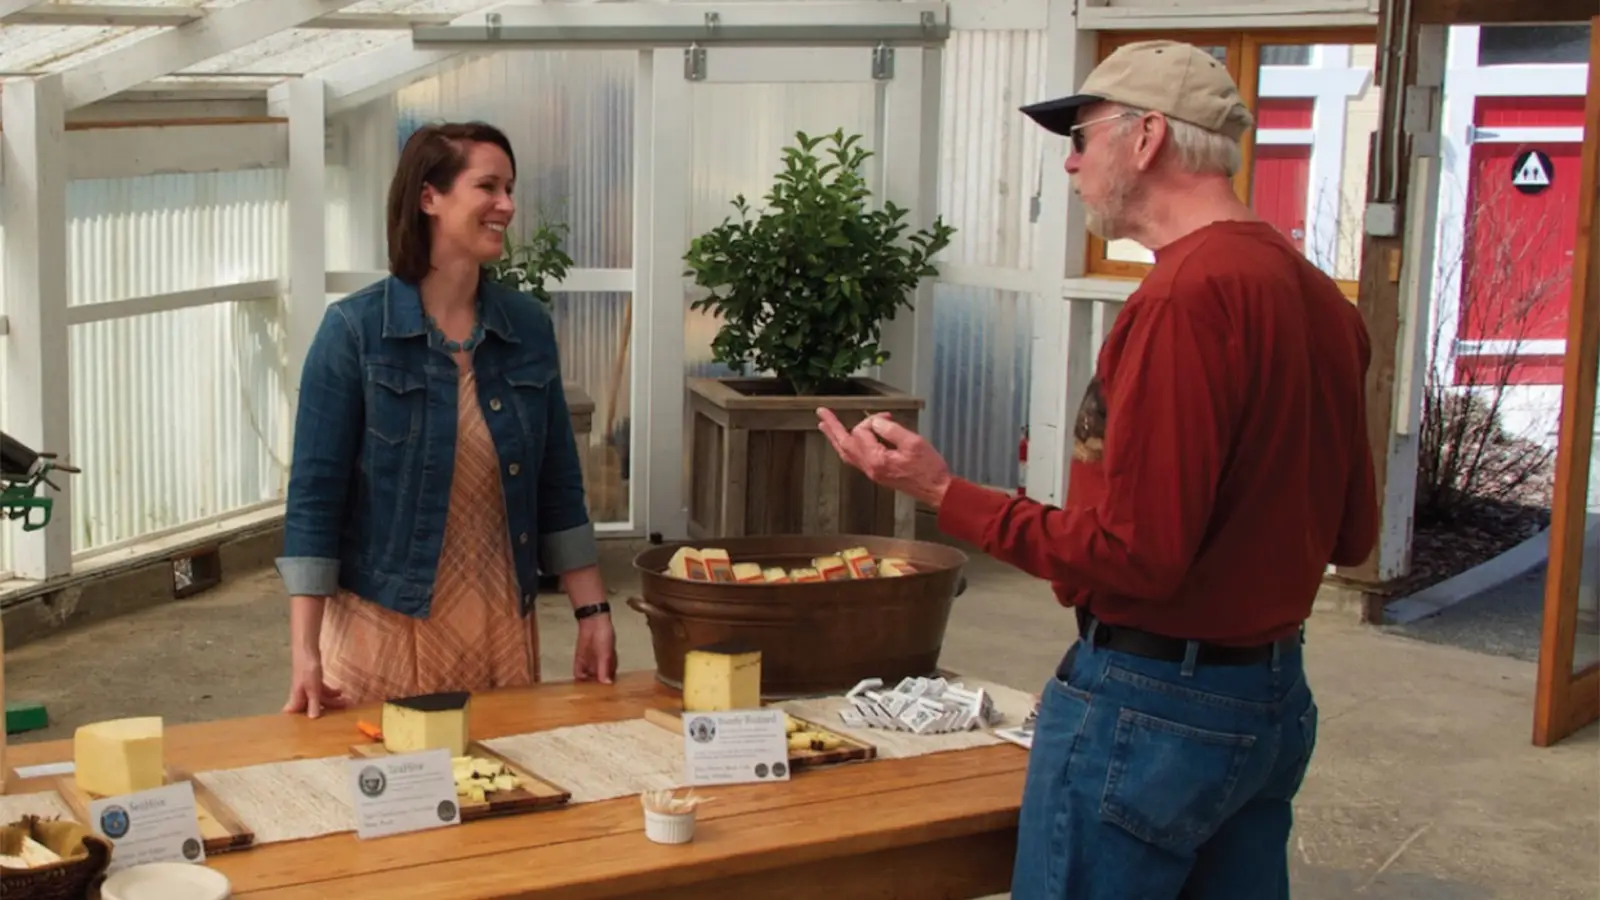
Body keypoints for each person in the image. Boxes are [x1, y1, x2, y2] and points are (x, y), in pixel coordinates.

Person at [817, 39, 1377, 899]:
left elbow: (1138, 556)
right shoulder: (1318, 300)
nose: (1072, 164)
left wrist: (940, 492)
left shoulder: (1186, 301)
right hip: (1269, 699)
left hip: (1156, 706)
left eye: (1082, 137)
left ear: (1147, 137)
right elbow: (1353, 533)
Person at [277, 121, 618, 718]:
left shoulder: (526, 328)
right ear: (429, 197)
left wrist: (593, 612)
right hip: (382, 622)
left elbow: (559, 483)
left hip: (498, 625)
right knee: (391, 792)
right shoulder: (355, 333)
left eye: (511, 188)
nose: (507, 206)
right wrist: (304, 650)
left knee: (506, 788)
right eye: (488, 186)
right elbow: (314, 498)